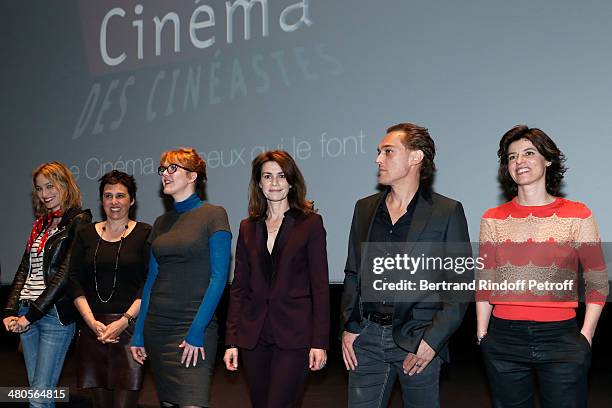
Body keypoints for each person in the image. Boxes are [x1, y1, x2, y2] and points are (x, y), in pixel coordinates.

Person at [476, 125, 609, 408]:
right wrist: (482, 334)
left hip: (561, 338)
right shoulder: (492, 218)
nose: (519, 161)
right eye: (511, 157)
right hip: (503, 339)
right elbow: (484, 281)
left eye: (528, 153)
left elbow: (598, 281)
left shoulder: (578, 214)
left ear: (548, 159)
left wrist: (585, 336)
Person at [339, 123, 470, 408]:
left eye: (388, 151)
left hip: (418, 339)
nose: (378, 159)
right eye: (378, 152)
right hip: (367, 339)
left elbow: (459, 285)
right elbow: (353, 272)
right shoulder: (364, 208)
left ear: (415, 157)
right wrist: (350, 326)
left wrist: (433, 341)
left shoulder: (447, 211)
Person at [223, 150, 330, 408]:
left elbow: (320, 287)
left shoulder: (310, 223)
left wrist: (320, 342)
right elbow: (239, 288)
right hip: (253, 336)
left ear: (291, 181)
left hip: (294, 335)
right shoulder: (247, 227)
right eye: (267, 176)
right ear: (259, 183)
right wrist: (231, 341)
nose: (274, 183)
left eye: (281, 176)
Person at [130, 147, 231, 408]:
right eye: (162, 169)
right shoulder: (161, 222)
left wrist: (197, 331)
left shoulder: (213, 215)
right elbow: (151, 281)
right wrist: (139, 333)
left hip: (193, 327)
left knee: (192, 402)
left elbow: (219, 278)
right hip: (157, 329)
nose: (165, 174)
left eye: (172, 168)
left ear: (193, 175)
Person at [2, 162, 92, 408]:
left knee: (39, 398)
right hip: (25, 313)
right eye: (39, 188)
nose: (44, 193)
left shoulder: (80, 221)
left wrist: (31, 315)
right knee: (41, 394)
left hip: (53, 316)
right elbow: (24, 269)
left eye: (50, 186)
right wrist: (11, 310)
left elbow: (63, 275)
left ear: (65, 184)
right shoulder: (41, 225)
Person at [69, 170, 151, 408]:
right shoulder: (85, 234)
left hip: (130, 331)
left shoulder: (146, 233)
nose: (114, 202)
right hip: (93, 329)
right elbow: (74, 279)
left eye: (120, 195)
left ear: (132, 200)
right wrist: (91, 321)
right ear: (101, 200)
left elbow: (149, 282)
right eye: (108, 196)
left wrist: (124, 321)